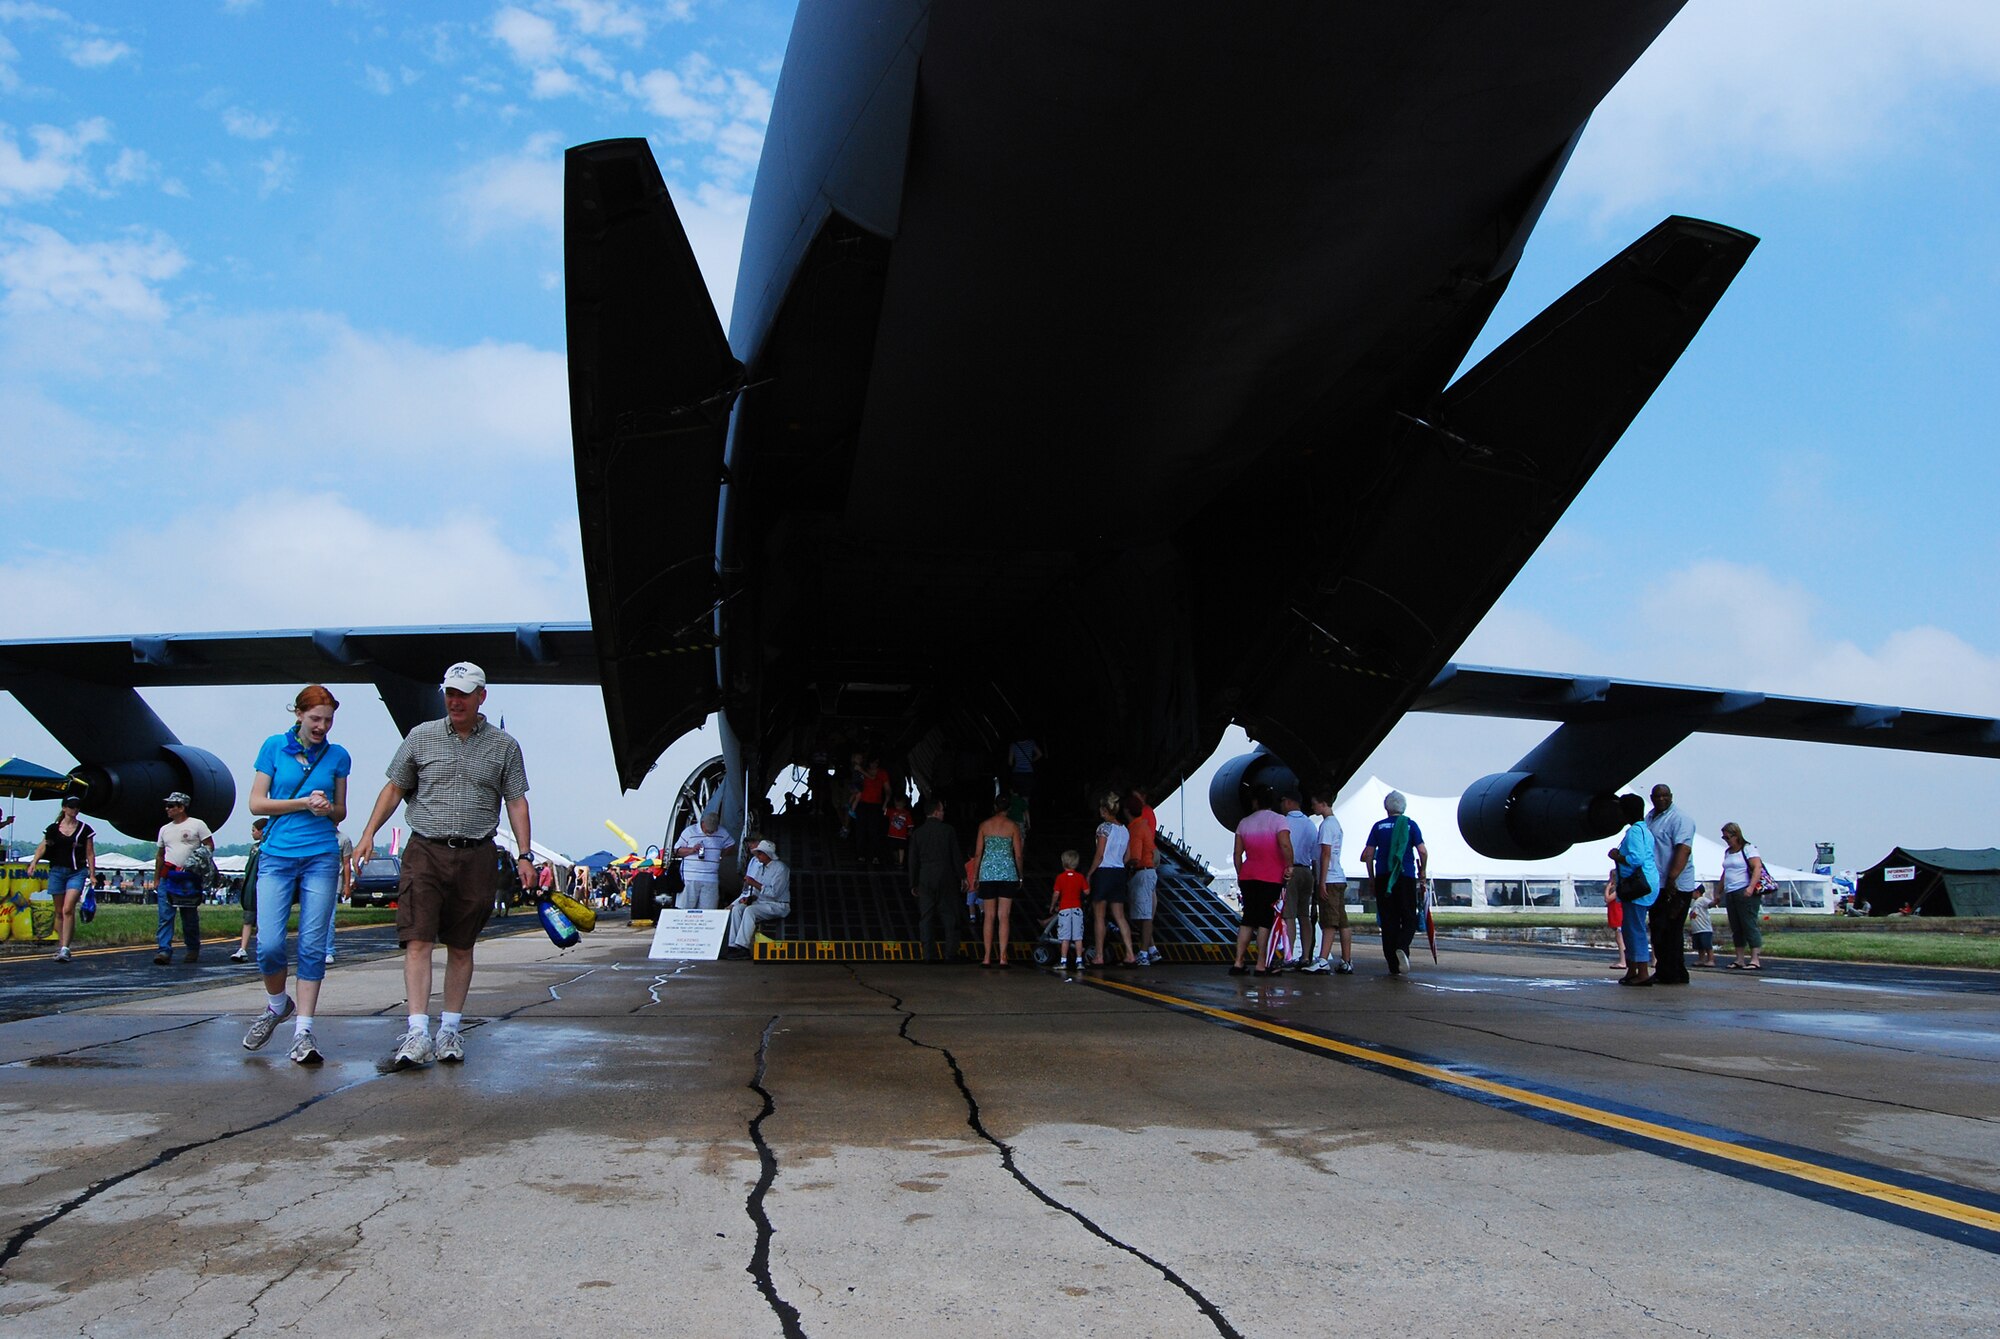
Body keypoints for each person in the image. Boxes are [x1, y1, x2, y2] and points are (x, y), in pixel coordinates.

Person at [352, 661, 534, 1070]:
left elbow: (516, 800)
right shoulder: (421, 737)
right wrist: (367, 836)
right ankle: (417, 1032)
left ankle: (449, 1030)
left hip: (476, 853)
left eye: (463, 694)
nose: (454, 700)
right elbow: (394, 788)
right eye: (450, 692)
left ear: (480, 697)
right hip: (425, 850)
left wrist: (524, 854)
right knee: (417, 938)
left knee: (462, 944)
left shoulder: (505, 746)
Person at [242, 684, 352, 1064]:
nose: (322, 726)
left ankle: (303, 1031)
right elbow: (257, 802)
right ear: (299, 715)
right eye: (315, 719)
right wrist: (303, 802)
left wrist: (327, 810)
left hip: (321, 854)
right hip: (277, 855)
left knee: (311, 945)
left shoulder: (338, 756)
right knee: (269, 944)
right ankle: (277, 1005)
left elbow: (341, 812)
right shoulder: (274, 746)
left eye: (328, 720)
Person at [1359, 789, 1426, 976]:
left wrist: (1372, 878)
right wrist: (1423, 871)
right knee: (1409, 917)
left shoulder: (1378, 826)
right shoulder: (1410, 826)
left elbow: (1368, 855)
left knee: (1388, 920)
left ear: (1386, 808)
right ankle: (1402, 947)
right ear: (1403, 807)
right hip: (1405, 876)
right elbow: (1423, 852)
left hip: (1383, 876)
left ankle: (1392, 966)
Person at [26, 793, 95, 963]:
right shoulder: (53, 829)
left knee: (67, 908)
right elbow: (43, 846)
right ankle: (62, 944)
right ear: (64, 808)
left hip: (76, 871)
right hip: (57, 870)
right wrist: (34, 862)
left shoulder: (84, 829)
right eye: (71, 807)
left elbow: (90, 853)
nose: (74, 810)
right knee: (58, 911)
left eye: (77, 807)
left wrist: (92, 873)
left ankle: (66, 948)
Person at [1229, 786, 1290, 976]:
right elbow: (1285, 844)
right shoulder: (1279, 821)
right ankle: (1261, 964)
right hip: (1272, 877)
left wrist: (1241, 873)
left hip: (1248, 876)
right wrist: (1290, 865)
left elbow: (1237, 854)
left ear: (1255, 802)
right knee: (1265, 920)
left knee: (1248, 919)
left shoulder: (1243, 824)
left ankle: (1238, 962)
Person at [1644, 783, 1698, 986]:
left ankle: (1673, 972)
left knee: (1670, 929)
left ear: (1671, 796)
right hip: (1657, 884)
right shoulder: (1649, 818)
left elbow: (1683, 850)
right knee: (1659, 929)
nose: (1661, 799)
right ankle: (1668, 969)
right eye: (1657, 796)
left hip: (1676, 885)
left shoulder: (1680, 820)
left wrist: (1672, 878)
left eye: (1665, 796)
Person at [154, 792, 214, 965]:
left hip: (188, 878)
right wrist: (157, 878)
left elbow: (209, 845)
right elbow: (160, 855)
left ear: (181, 807)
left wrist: (196, 861)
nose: (168, 809)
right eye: (167, 806)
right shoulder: (164, 829)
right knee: (165, 915)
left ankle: (192, 948)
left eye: (171, 806)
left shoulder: (197, 825)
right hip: (169, 876)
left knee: (189, 915)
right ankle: (164, 950)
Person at [907, 796, 965, 962]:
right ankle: (950, 953)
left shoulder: (918, 833)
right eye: (942, 810)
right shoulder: (948, 830)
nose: (943, 813)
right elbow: (956, 856)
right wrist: (962, 876)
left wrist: (913, 882)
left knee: (926, 917)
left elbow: (913, 860)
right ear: (936, 812)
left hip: (925, 878)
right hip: (946, 877)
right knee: (950, 916)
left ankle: (928, 955)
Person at [1608, 794, 1659, 985]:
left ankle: (1642, 972)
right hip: (1646, 882)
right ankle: (1632, 969)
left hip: (1637, 886)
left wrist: (1617, 856)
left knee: (1634, 928)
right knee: (1631, 928)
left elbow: (1636, 859)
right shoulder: (1644, 829)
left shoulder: (1635, 832)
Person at [1304, 785, 1353, 974]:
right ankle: (1346, 960)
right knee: (1342, 922)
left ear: (1324, 804)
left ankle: (1323, 959)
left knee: (1329, 922)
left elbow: (1325, 853)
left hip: (1330, 878)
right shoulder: (1336, 824)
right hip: (1339, 877)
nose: (1313, 808)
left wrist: (1321, 881)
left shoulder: (1326, 826)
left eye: (1315, 804)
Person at [973, 793, 1024, 967]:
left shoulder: (984, 826)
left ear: (995, 807)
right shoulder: (1013, 827)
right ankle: (1003, 957)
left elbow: (978, 853)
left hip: (987, 874)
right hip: (1008, 874)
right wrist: (1020, 874)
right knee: (1004, 916)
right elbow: (1018, 854)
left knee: (989, 916)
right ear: (1008, 808)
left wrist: (975, 875)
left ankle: (987, 957)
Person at [1087, 791, 1137, 968]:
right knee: (1120, 916)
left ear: (1104, 810)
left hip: (1104, 872)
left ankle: (1099, 956)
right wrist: (1118, 864)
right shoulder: (1124, 830)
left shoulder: (1103, 828)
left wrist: (1090, 873)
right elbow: (1128, 856)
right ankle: (1130, 954)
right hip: (1119, 872)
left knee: (1099, 916)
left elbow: (1099, 855)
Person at [723, 839, 791, 958]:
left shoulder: (781, 869)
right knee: (737, 909)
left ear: (767, 854)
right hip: (761, 902)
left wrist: (754, 883)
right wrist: (749, 898)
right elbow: (756, 892)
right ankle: (733, 945)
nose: (757, 856)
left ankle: (743, 947)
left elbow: (775, 893)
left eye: (760, 853)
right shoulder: (761, 868)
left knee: (750, 911)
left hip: (778, 904)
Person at [1719, 821, 1768, 970]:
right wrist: (1718, 890)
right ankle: (1739, 958)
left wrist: (1751, 887)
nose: (1726, 840)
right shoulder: (1728, 852)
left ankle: (1755, 958)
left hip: (1745, 890)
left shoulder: (1748, 849)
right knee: (1736, 926)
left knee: (1749, 924)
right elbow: (1725, 872)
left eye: (1728, 837)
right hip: (1731, 891)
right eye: (1724, 838)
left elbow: (1757, 868)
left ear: (1736, 835)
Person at [1279, 788, 1318, 969]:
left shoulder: (1283, 822)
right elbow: (1316, 854)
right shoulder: (1310, 824)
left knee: (1289, 916)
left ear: (1288, 802)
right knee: (1304, 916)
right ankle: (1306, 956)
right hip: (1307, 871)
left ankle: (1288, 956)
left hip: (1291, 871)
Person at [1124, 787, 1160, 965]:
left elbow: (1135, 857)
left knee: (1143, 916)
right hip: (1149, 872)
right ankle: (1151, 949)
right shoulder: (1145, 824)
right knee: (1143, 914)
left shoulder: (1136, 829)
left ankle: (1144, 953)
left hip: (1142, 872)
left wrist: (1122, 867)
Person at [673, 812, 736, 910]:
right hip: (691, 877)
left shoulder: (722, 832)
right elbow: (676, 850)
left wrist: (721, 854)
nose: (710, 833)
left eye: (713, 830)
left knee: (708, 910)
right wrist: (692, 850)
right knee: (686, 908)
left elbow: (731, 845)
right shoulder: (689, 831)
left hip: (711, 878)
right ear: (702, 823)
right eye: (708, 830)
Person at [231, 817, 269, 963]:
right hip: (251, 890)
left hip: (263, 889)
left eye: (254, 830)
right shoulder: (254, 848)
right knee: (248, 920)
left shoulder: (269, 846)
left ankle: (263, 948)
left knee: (263, 922)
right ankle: (243, 949)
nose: (252, 833)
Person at [1049, 849, 1088, 974]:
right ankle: (1079, 961)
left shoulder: (1060, 878)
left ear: (1063, 863)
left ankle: (1063, 961)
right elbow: (1087, 891)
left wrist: (1052, 905)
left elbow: (1056, 893)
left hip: (1064, 909)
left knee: (1064, 937)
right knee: (1078, 937)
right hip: (1077, 909)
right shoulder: (1080, 877)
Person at [851, 757, 892, 865]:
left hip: (876, 805)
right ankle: (861, 854)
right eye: (873, 762)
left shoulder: (882, 773)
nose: (874, 765)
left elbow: (887, 789)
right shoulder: (861, 772)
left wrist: (886, 801)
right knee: (861, 830)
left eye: (876, 763)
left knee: (874, 830)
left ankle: (875, 855)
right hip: (863, 804)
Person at [1688, 887, 1718, 967]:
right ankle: (1701, 959)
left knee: (1707, 945)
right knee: (1699, 946)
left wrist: (1715, 902)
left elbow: (1710, 904)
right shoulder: (1694, 903)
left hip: (1704, 928)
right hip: (1697, 929)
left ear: (1697, 892)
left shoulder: (1702, 899)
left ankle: (1711, 959)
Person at [885, 794, 913, 866]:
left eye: (900, 804)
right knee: (893, 849)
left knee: (901, 849)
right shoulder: (892, 811)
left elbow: (910, 824)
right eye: (897, 804)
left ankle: (900, 862)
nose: (898, 806)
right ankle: (896, 859)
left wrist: (910, 831)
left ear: (904, 804)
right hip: (892, 834)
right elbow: (884, 810)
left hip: (902, 836)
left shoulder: (906, 813)